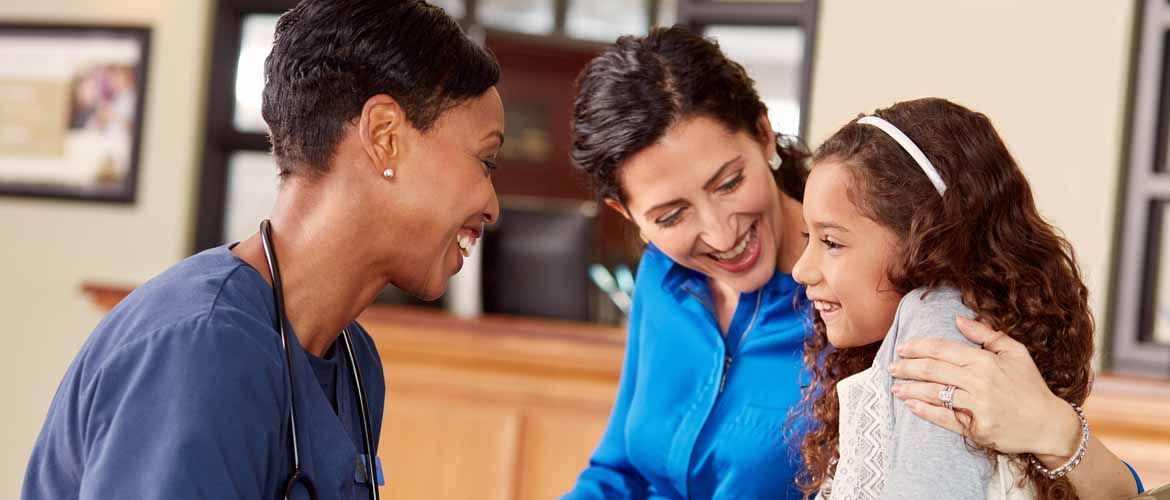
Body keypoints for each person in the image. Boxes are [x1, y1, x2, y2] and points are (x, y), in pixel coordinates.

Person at [562, 26, 1140, 500]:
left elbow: (1042, 479)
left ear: (764, 133)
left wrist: (1058, 433)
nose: (718, 232)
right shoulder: (664, 281)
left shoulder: (882, 306)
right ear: (627, 214)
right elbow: (620, 474)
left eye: (729, 181)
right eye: (669, 216)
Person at [21, 1, 503, 499]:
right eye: (486, 161)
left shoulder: (355, 364)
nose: (491, 205)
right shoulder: (204, 348)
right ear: (384, 137)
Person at [791, 97, 1133, 499]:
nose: (801, 269)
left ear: (925, 240)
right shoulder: (931, 330)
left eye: (831, 242)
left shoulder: (939, 322)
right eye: (807, 237)